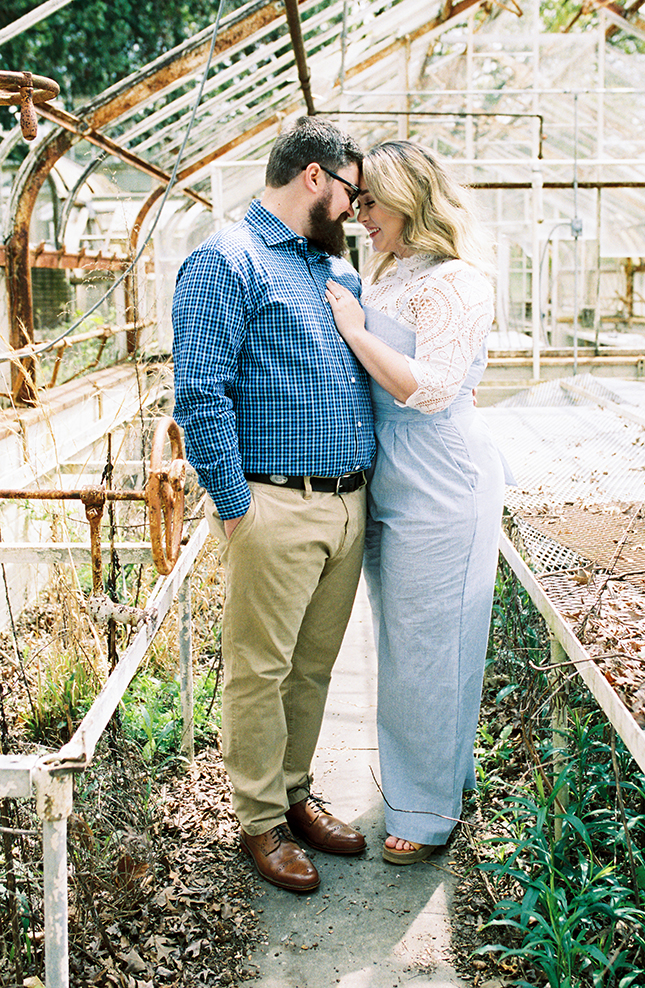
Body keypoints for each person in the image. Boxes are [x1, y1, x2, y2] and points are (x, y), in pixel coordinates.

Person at [171, 117, 375, 893]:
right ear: (315, 176)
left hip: (345, 503)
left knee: (313, 667)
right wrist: (235, 506)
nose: (356, 209)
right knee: (260, 668)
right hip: (275, 505)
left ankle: (294, 794)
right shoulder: (229, 261)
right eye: (351, 192)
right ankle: (258, 818)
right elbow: (200, 391)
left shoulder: (330, 270)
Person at [326, 140, 506, 864]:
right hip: (390, 471)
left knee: (430, 648)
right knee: (406, 644)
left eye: (369, 202)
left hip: (440, 474)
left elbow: (429, 389)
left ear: (408, 200)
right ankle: (436, 780)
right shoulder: (390, 273)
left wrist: (354, 329)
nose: (358, 214)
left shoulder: (456, 283)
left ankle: (427, 812)